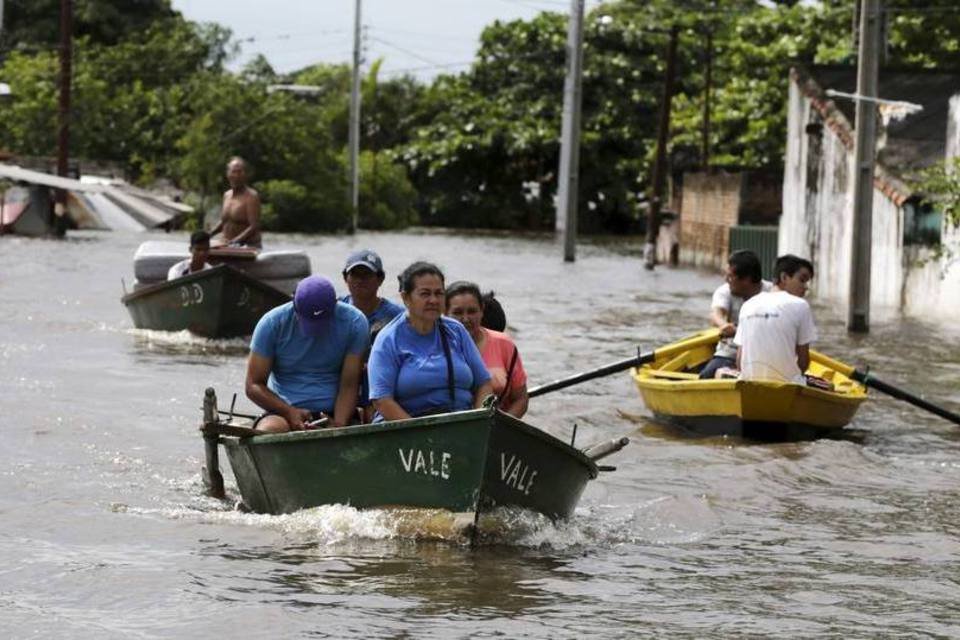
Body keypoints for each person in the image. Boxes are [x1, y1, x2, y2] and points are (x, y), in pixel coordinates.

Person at [367, 262, 493, 421]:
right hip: (407, 429)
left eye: (439, 293)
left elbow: (484, 383)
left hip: (461, 424)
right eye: (425, 294)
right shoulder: (388, 339)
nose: (433, 300)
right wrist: (423, 434)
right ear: (406, 298)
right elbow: (382, 400)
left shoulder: (456, 330)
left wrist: (479, 420)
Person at [246, 275, 369, 432]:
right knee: (269, 430)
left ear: (336, 305)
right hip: (283, 411)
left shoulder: (355, 323)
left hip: (336, 412)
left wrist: (338, 426)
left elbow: (349, 384)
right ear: (294, 306)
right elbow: (253, 385)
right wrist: (289, 412)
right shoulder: (272, 324)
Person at [446, 282, 528, 418]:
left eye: (472, 311)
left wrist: (500, 427)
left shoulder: (504, 344)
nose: (465, 319)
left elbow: (520, 399)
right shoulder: (435, 345)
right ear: (444, 313)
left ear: (482, 310)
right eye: (457, 312)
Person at [339, 249, 404, 421]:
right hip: (340, 379)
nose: (361, 280)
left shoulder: (398, 316)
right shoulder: (334, 311)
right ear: (345, 278)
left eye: (367, 274)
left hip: (380, 383)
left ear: (380, 279)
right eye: (355, 274)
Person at [733, 254, 817, 384]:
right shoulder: (800, 305)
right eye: (802, 280)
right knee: (830, 386)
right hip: (788, 385)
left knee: (721, 372)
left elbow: (739, 361)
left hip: (749, 383)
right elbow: (803, 361)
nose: (806, 287)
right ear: (784, 277)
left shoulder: (748, 304)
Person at [699, 250, 773, 379]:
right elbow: (716, 314)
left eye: (730, 277)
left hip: (765, 353)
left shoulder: (772, 293)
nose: (726, 280)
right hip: (730, 352)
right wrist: (724, 325)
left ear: (746, 279)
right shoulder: (725, 291)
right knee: (706, 375)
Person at [210, 156, 262, 248]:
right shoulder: (226, 195)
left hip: (247, 246)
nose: (237, 175)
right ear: (228, 174)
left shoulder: (252, 196)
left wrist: (234, 242)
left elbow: (254, 226)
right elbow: (225, 221)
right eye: (234, 171)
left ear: (245, 174)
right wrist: (209, 234)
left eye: (240, 172)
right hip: (228, 244)